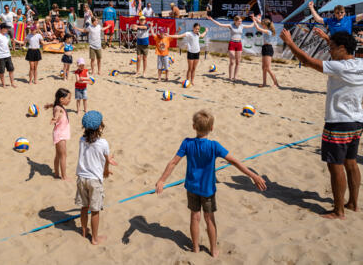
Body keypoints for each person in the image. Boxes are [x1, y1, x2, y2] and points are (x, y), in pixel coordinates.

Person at [155, 110, 266, 257]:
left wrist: (162, 180)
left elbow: (173, 162)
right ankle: (213, 250)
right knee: (209, 219)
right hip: (207, 190)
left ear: (194, 127)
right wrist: (253, 175)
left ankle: (195, 248)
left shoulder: (187, 143)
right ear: (212, 128)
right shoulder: (214, 146)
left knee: (195, 217)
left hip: (192, 188)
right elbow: (234, 161)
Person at [281, 29, 363, 219]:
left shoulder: (339, 67)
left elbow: (308, 61)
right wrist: (328, 39)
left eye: (332, 47)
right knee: (351, 163)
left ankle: (338, 211)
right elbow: (340, 50)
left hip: (338, 122)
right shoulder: (360, 63)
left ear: (342, 48)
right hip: (356, 122)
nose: (329, 51)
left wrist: (290, 43)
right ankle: (353, 203)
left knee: (335, 166)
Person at [75, 110, 118, 245]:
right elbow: (105, 160)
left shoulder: (81, 140)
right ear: (100, 126)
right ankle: (94, 238)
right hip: (94, 180)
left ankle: (83, 231)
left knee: (84, 207)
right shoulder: (103, 143)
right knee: (95, 210)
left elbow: (95, 154)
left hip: (81, 178)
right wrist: (106, 169)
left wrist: (107, 160)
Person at [207, 15, 255, 81]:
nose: (240, 22)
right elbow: (220, 24)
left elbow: (251, 25)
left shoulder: (242, 26)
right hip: (232, 43)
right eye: (239, 21)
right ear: (235, 21)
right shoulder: (231, 25)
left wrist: (254, 20)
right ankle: (230, 77)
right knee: (232, 61)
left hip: (239, 44)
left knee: (238, 62)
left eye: (241, 21)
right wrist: (212, 19)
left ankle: (235, 77)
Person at [45, 88, 72, 180]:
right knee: (63, 156)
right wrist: (55, 119)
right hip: (60, 135)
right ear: (62, 99)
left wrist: (49, 105)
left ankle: (56, 173)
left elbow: (54, 106)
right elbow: (56, 113)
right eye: (68, 98)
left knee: (58, 155)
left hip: (60, 133)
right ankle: (64, 176)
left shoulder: (58, 105)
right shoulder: (58, 108)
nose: (70, 100)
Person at [0, 23, 22, 88]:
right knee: (1, 71)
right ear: (2, 28)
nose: (7, 29)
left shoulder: (6, 35)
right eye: (6, 28)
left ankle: (12, 83)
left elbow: (7, 45)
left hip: (8, 55)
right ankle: (3, 84)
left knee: (11, 69)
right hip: (0, 56)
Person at [251, 16, 279, 87]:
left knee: (268, 68)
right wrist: (254, 18)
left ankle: (276, 83)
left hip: (268, 48)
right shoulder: (266, 28)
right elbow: (260, 22)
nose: (262, 25)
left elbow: (258, 28)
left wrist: (254, 21)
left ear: (265, 25)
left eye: (263, 24)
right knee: (263, 67)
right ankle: (264, 83)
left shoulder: (268, 31)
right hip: (264, 47)